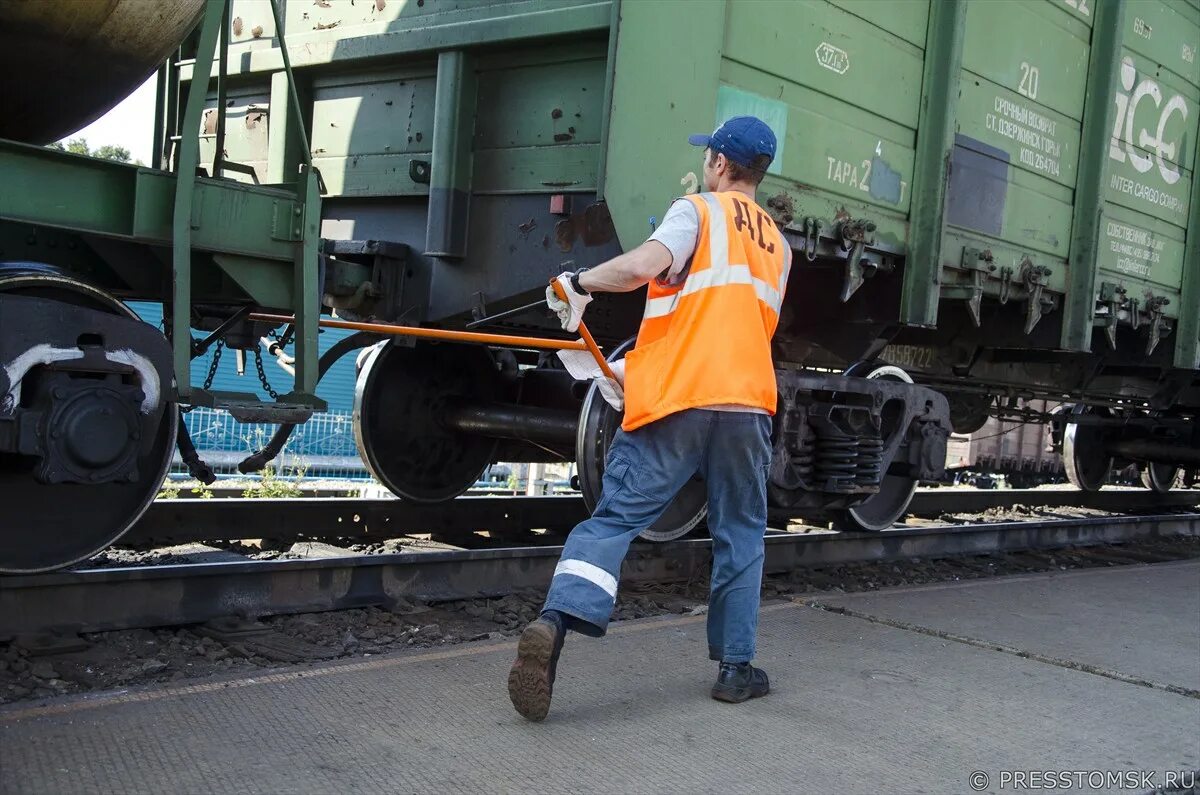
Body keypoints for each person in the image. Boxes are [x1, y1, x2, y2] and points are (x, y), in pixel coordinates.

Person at [507, 116, 791, 721]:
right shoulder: (778, 245)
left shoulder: (698, 211)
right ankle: (736, 670)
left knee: (615, 520)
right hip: (746, 406)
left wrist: (576, 282)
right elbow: (730, 320)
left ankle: (556, 622)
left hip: (680, 400)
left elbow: (641, 268)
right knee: (741, 535)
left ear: (718, 163)